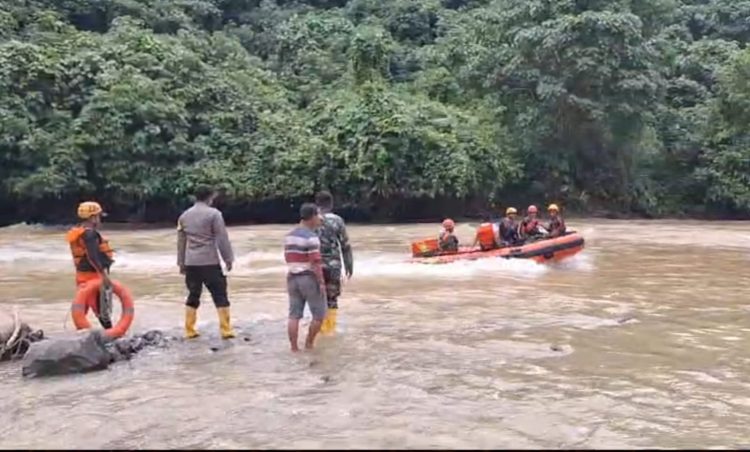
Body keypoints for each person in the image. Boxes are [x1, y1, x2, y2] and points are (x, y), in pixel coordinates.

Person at [177, 185, 236, 340]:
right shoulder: (214, 214)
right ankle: (226, 329)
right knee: (220, 294)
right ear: (210, 197)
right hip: (209, 261)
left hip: (191, 262)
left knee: (193, 294)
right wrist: (228, 259)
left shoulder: (184, 216)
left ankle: (189, 329)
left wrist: (181, 263)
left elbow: (181, 242)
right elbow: (222, 238)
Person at [285, 203, 327, 352]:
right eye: (318, 215)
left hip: (292, 277)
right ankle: (309, 344)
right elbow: (316, 261)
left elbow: (288, 257)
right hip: (308, 278)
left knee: (294, 315)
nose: (320, 219)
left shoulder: (289, 235)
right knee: (319, 314)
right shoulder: (312, 238)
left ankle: (294, 348)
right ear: (312, 217)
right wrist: (321, 282)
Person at [66, 201, 115, 329]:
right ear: (92, 217)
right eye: (98, 216)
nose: (99, 220)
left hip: (81, 275)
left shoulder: (80, 231)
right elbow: (92, 256)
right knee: (101, 311)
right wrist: (103, 275)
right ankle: (112, 336)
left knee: (84, 307)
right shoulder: (90, 234)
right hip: (92, 276)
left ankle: (81, 331)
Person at [314, 191, 353, 336]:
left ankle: (317, 329)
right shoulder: (338, 220)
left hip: (315, 266)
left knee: (317, 297)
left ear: (316, 204)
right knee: (332, 298)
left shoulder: (311, 220)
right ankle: (329, 330)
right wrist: (349, 266)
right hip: (334, 266)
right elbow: (345, 246)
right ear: (331, 204)